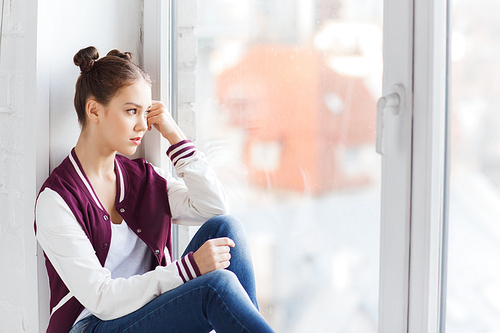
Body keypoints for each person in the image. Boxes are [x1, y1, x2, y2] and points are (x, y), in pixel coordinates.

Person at [34, 46, 275, 333]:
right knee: (215, 286)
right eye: (131, 111)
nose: (142, 124)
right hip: (94, 325)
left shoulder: (141, 178)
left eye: (146, 112)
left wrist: (175, 135)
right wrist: (188, 270)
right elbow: (100, 298)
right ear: (94, 110)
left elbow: (213, 208)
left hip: (145, 311)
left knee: (226, 228)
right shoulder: (57, 200)